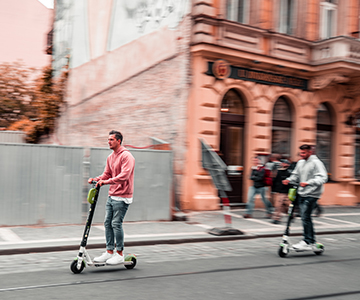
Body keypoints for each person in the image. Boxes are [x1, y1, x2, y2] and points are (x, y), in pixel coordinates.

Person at [88, 130, 135, 264]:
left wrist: (106, 182)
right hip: (112, 195)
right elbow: (107, 174)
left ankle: (119, 253)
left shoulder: (127, 156)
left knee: (116, 223)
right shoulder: (111, 157)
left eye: (111, 139)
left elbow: (124, 176)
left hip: (123, 195)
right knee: (107, 223)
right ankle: (109, 252)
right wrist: (96, 179)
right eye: (108, 139)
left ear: (119, 141)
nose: (108, 142)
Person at [283, 144, 327, 250]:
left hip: (312, 194)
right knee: (305, 217)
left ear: (310, 152)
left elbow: (323, 178)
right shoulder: (300, 162)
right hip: (301, 192)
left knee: (305, 216)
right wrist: (289, 180)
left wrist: (308, 183)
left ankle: (307, 241)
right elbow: (296, 175)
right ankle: (311, 240)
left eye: (304, 152)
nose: (301, 154)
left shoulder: (316, 163)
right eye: (301, 152)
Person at [271, 159, 293, 224]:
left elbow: (292, 181)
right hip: (280, 191)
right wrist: (274, 190)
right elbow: (275, 181)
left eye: (284, 163)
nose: (282, 164)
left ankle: (278, 218)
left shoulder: (290, 172)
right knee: (281, 205)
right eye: (282, 163)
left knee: (283, 205)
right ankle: (279, 218)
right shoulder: (279, 171)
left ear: (287, 164)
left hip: (287, 191)